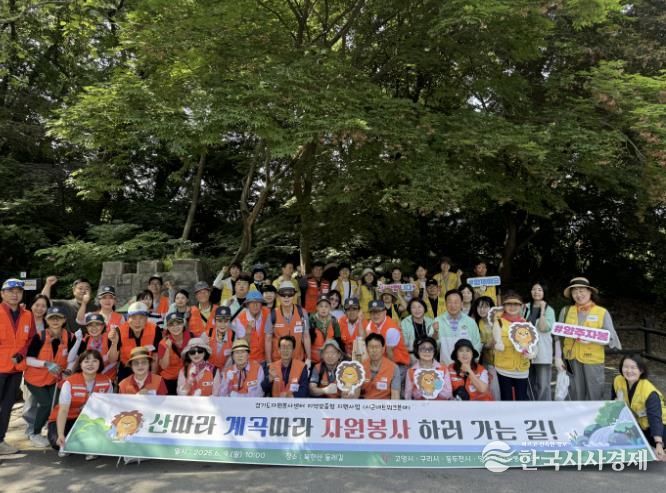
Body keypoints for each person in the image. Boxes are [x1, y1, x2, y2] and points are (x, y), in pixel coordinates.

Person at [554, 277, 621, 401]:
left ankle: (593, 414)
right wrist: (557, 358)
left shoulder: (602, 312)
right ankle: (574, 413)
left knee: (594, 391)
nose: (578, 294)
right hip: (569, 359)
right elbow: (558, 335)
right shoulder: (565, 311)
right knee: (573, 390)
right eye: (575, 291)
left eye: (581, 290)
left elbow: (611, 338)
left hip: (593, 360)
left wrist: (593, 339)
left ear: (590, 292)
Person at [24, 307, 74, 448]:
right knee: (46, 403)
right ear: (46, 320)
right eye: (52, 318)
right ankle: (35, 433)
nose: (55, 320)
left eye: (59, 317)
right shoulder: (39, 336)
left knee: (58, 403)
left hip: (55, 378)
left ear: (64, 320)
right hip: (34, 378)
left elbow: (74, 357)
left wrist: (68, 370)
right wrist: (46, 364)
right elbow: (28, 359)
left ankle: (53, 430)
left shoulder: (70, 337)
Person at [48, 350, 112, 456]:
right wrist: (60, 434)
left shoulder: (107, 382)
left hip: (89, 420)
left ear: (100, 363)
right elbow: (63, 410)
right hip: (67, 419)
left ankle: (85, 446)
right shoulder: (69, 382)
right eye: (86, 361)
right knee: (56, 441)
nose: (90, 364)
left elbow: (107, 408)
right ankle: (77, 445)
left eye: (94, 361)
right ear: (80, 364)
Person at [0, 278, 35, 455]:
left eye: (18, 291)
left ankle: (0, 441)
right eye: (11, 291)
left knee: (7, 406)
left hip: (16, 368)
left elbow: (31, 339)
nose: (15, 294)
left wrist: (22, 353)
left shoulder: (27, 315)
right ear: (2, 294)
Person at [612, 355, 665, 460]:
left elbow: (655, 418)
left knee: (654, 442)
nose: (629, 371)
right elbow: (613, 402)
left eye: (633, 368)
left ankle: (660, 446)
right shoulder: (617, 380)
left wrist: (658, 443)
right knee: (621, 439)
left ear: (641, 370)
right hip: (638, 423)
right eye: (625, 367)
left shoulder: (649, 391)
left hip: (660, 423)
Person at [493, 292, 536, 401]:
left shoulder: (526, 323)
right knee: (506, 398)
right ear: (504, 306)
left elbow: (534, 343)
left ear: (521, 306)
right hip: (503, 368)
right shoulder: (499, 322)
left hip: (522, 369)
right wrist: (498, 343)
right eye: (509, 304)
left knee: (521, 398)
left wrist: (532, 353)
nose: (512, 307)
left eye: (516, 304)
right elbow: (496, 340)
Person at [108, 302, 161, 381]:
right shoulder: (118, 331)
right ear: (128, 318)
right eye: (133, 317)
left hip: (147, 369)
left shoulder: (155, 330)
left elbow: (155, 356)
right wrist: (114, 343)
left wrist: (152, 378)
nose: (137, 321)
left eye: (141, 317)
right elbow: (112, 360)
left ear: (146, 319)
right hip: (127, 370)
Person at [364, 300, 410, 389]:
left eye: (378, 312)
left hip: (397, 364)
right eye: (372, 312)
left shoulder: (391, 329)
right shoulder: (370, 325)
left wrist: (386, 373)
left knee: (386, 388)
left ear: (385, 312)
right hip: (380, 363)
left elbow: (390, 355)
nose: (375, 315)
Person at [22, 294, 50, 437]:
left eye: (43, 306)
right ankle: (31, 429)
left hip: (45, 367)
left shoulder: (48, 323)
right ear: (31, 305)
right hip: (26, 365)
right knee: (31, 399)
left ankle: (39, 427)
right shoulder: (23, 320)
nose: (40, 308)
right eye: (37, 305)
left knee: (44, 400)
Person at [266, 281, 311, 365]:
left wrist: (309, 358)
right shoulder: (272, 314)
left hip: (298, 360)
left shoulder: (302, 312)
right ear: (278, 296)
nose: (286, 297)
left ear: (294, 295)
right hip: (278, 361)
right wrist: (269, 362)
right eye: (283, 294)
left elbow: (306, 336)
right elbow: (268, 339)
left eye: (290, 294)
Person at [524, 282, 556, 401]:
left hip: (542, 350)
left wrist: (542, 310)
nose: (536, 292)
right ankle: (530, 406)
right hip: (526, 350)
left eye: (539, 289)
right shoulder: (525, 307)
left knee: (543, 384)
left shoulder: (549, 310)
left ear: (544, 292)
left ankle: (544, 408)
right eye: (534, 289)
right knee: (528, 382)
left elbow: (543, 328)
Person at [434, 290, 482, 366]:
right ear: (445, 303)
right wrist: (435, 333)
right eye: (450, 302)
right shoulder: (438, 321)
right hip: (446, 367)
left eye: (456, 302)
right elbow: (433, 346)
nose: (453, 305)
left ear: (462, 304)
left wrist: (473, 364)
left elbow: (476, 344)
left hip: (466, 367)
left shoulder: (471, 322)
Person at [471, 295, 500, 400]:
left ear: (491, 308)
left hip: (504, 361)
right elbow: (476, 343)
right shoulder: (476, 323)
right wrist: (486, 345)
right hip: (488, 362)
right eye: (479, 307)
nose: (482, 309)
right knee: (493, 388)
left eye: (485, 306)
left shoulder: (499, 321)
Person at [232, 290, 271, 367]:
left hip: (265, 360)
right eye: (252, 302)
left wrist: (269, 361)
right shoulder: (240, 319)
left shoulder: (267, 313)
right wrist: (248, 332)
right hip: (248, 361)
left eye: (258, 302)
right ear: (247, 305)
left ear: (261, 304)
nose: (255, 305)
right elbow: (243, 346)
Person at [158, 312, 193, 395]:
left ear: (183, 324)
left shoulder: (191, 337)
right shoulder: (163, 343)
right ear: (167, 327)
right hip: (170, 380)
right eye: (171, 325)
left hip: (188, 378)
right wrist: (168, 348)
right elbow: (163, 366)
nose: (175, 327)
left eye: (178, 324)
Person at [78, 312, 117, 382]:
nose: (94, 328)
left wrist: (114, 342)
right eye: (90, 325)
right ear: (86, 327)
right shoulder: (85, 340)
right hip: (88, 381)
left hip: (108, 381)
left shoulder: (110, 339)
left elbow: (113, 360)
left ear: (103, 326)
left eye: (97, 324)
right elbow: (79, 361)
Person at [360, 333, 401, 400]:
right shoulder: (361, 367)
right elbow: (355, 393)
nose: (374, 350)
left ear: (383, 349)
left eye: (377, 347)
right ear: (367, 349)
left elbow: (395, 396)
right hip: (365, 404)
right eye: (371, 347)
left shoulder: (393, 368)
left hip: (385, 404)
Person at [309, 295, 342, 365]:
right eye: (321, 306)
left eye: (326, 306)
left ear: (330, 308)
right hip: (314, 360)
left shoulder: (334, 321)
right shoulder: (311, 320)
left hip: (330, 360)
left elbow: (338, 340)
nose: (323, 309)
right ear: (317, 308)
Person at [401, 298, 435, 366]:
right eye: (413, 307)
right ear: (410, 310)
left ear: (424, 308)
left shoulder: (431, 322)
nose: (417, 310)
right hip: (411, 358)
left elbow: (436, 342)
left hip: (429, 357)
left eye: (419, 307)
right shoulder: (405, 323)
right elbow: (404, 343)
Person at [207, 306, 234, 371]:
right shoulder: (208, 334)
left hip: (225, 371)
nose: (222, 324)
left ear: (230, 322)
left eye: (226, 321)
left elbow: (232, 359)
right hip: (208, 370)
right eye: (219, 321)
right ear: (215, 321)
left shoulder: (234, 336)